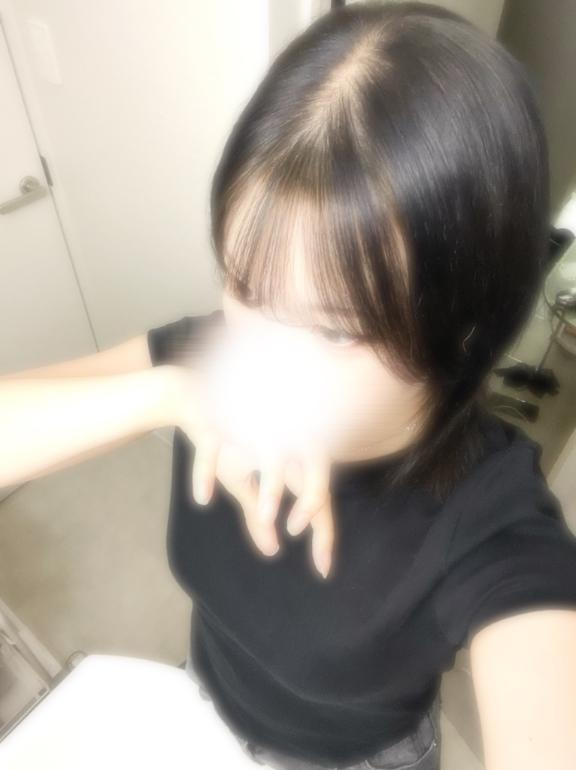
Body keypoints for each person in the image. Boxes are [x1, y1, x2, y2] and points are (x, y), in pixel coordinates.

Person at [2, 3, 576, 769]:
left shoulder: (491, 518)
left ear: (463, 323)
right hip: (202, 706)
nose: (263, 358)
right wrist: (163, 393)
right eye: (246, 284)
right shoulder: (210, 361)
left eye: (333, 330)